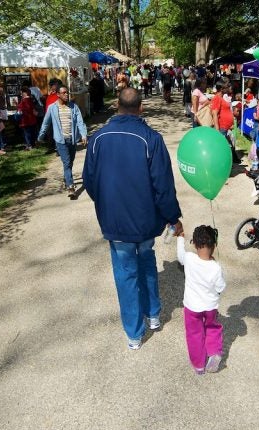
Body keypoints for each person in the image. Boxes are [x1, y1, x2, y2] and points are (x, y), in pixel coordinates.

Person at [82, 87, 183, 350]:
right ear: (141, 108)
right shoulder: (151, 138)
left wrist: (107, 204)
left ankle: (134, 333)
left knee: (126, 272)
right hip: (144, 219)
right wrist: (173, 217)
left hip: (115, 221)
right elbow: (163, 186)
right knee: (146, 262)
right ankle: (152, 315)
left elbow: (90, 183)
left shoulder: (98, 138)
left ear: (117, 105)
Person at [176, 225, 226, 374]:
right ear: (214, 245)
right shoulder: (216, 268)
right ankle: (214, 351)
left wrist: (180, 237)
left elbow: (180, 255)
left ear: (194, 244)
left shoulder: (189, 258)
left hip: (192, 306)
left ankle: (199, 365)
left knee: (194, 334)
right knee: (212, 328)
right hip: (210, 306)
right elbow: (221, 287)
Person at [37, 85, 87, 197]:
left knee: (70, 162)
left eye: (67, 93)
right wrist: (40, 137)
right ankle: (71, 187)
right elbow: (46, 123)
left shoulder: (74, 107)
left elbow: (80, 122)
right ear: (58, 94)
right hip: (60, 140)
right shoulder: (52, 108)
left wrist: (83, 135)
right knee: (66, 162)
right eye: (63, 93)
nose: (66, 95)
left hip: (72, 139)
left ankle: (66, 178)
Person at [210, 83, 240, 164]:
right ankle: (220, 164)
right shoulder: (217, 98)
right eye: (226, 87)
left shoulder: (221, 98)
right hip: (221, 128)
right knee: (221, 148)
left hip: (225, 128)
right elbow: (214, 113)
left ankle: (225, 163)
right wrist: (217, 130)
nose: (228, 88)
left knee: (226, 147)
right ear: (222, 89)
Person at [16, 86, 38, 151]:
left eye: (21, 93)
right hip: (32, 120)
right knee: (32, 133)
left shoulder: (22, 102)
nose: (21, 94)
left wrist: (16, 107)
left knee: (26, 134)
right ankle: (33, 144)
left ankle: (29, 146)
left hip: (25, 121)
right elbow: (34, 111)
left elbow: (19, 112)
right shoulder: (31, 100)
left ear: (24, 93)